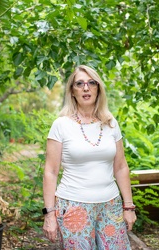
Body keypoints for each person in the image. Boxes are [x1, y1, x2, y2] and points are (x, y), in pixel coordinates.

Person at [42, 65, 136, 249]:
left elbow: (121, 167)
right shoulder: (61, 125)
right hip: (73, 206)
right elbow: (50, 172)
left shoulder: (110, 123)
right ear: (72, 91)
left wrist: (129, 206)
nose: (86, 88)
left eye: (91, 83)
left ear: (98, 88)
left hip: (111, 206)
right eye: (80, 83)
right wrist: (49, 215)